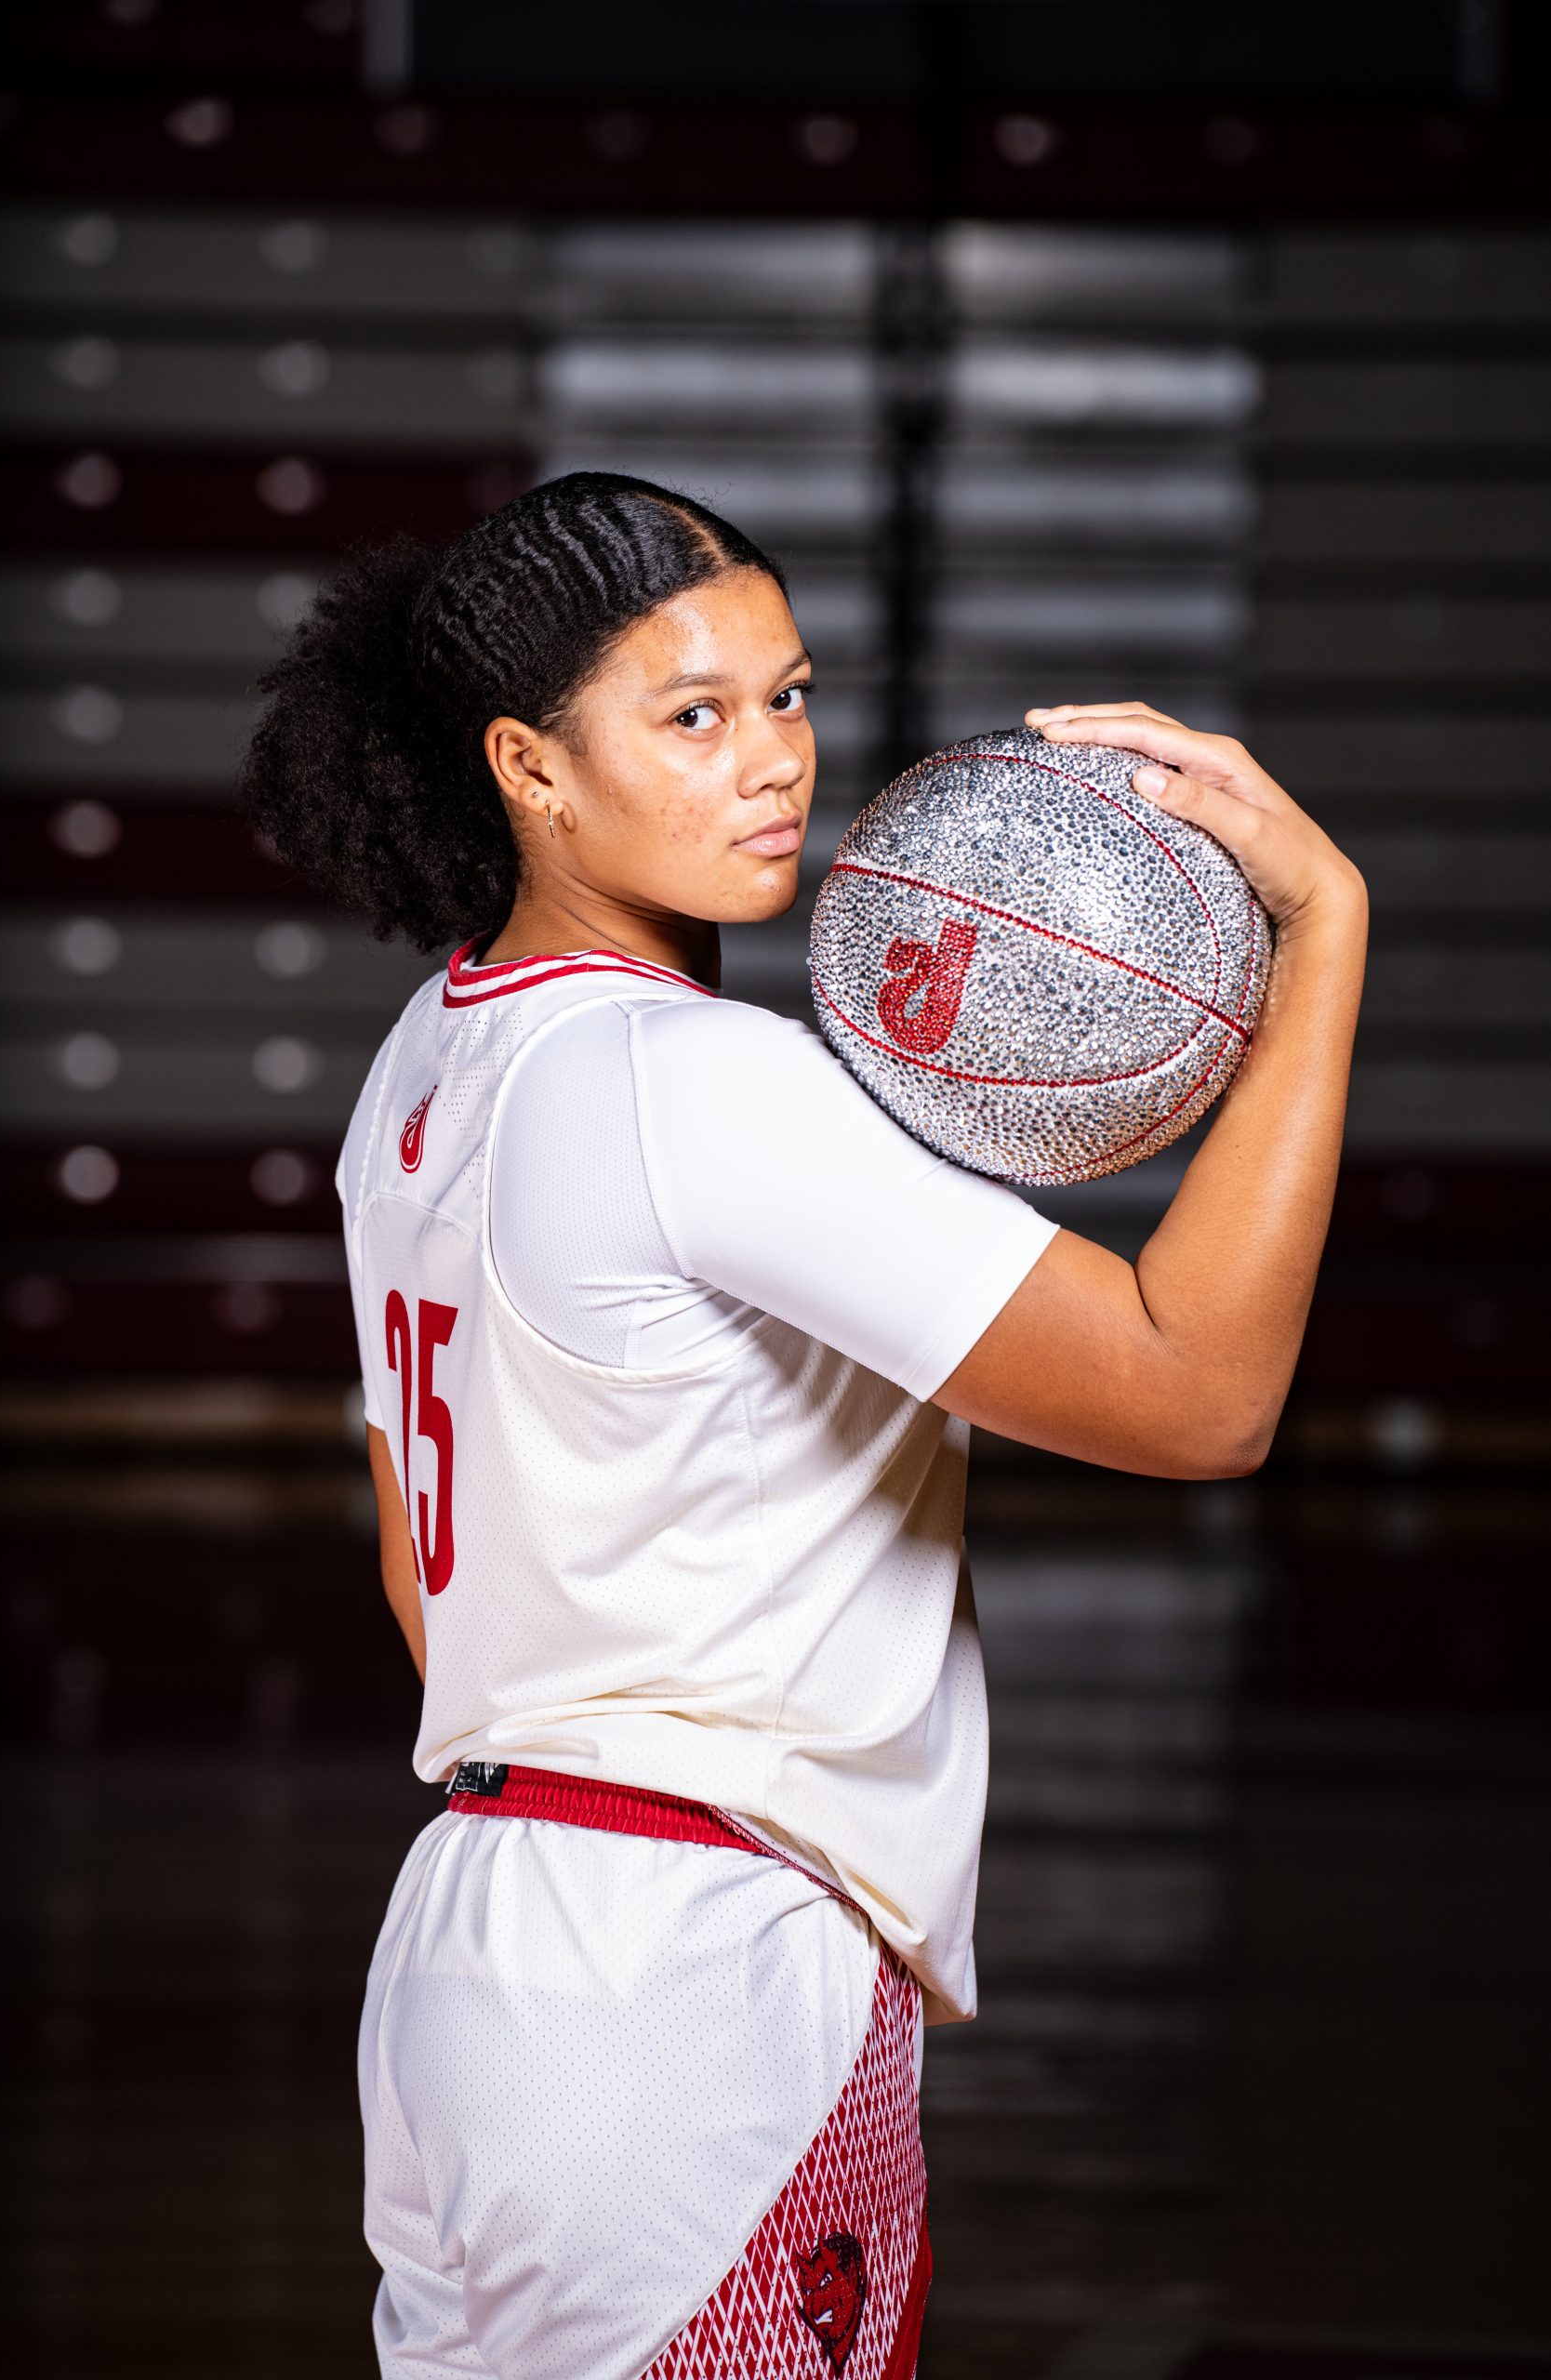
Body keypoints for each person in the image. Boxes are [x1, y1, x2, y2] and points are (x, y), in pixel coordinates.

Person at [243, 472, 1366, 2379]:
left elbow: (428, 1577)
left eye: (786, 695)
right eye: (691, 716)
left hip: (475, 1947)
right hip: (692, 1993)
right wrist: (1319, 926)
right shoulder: (695, 1081)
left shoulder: (431, 1055)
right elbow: (1198, 1393)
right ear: (527, 764)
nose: (773, 759)